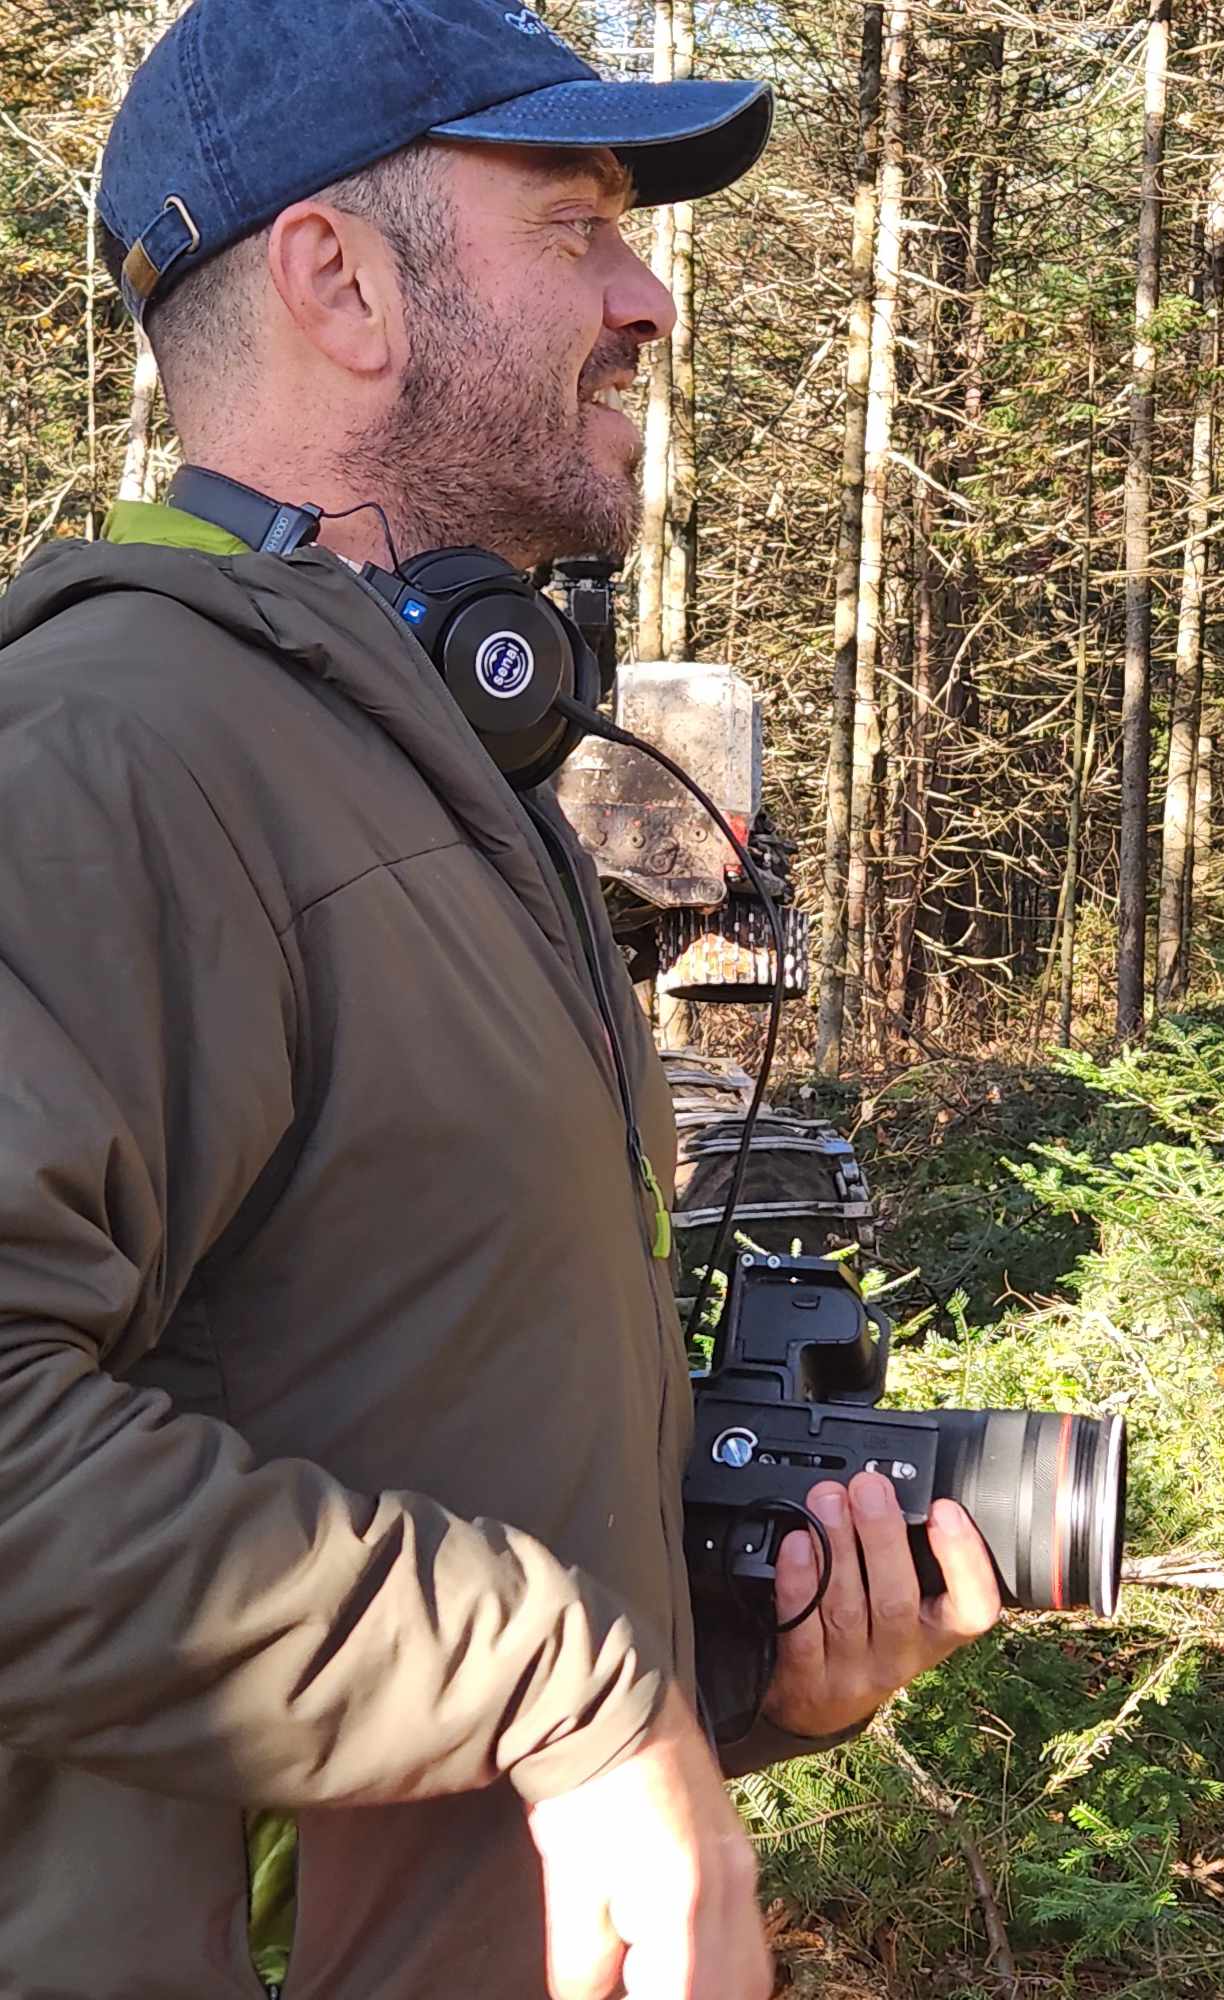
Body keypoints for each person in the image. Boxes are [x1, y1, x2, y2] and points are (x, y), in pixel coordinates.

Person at [0, 2, 1003, 1994]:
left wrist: (736, 1665)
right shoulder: (100, 758)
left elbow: (406, 1428)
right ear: (340, 280)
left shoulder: (457, 791)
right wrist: (570, 1693)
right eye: (575, 225)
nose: (646, 294)